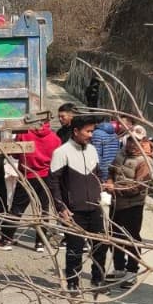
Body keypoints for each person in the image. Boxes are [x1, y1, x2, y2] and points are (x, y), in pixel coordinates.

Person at [49, 117, 106, 292]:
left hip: (95, 208)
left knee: (101, 246)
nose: (91, 135)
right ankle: (73, 283)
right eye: (87, 131)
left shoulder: (93, 150)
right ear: (75, 131)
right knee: (75, 248)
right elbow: (53, 183)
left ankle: (98, 280)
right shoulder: (61, 152)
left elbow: (98, 176)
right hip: (73, 211)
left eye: (92, 131)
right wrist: (61, 208)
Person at [3, 119, 61, 252]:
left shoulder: (24, 134)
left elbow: (15, 154)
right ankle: (40, 243)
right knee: (43, 210)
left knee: (17, 208)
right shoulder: (55, 138)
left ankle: (7, 239)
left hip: (28, 176)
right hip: (46, 177)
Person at [106, 128, 153, 286]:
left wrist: (117, 190)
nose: (134, 144)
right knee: (115, 236)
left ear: (143, 141)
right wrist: (110, 182)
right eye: (131, 139)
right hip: (116, 203)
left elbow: (138, 186)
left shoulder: (145, 161)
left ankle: (132, 271)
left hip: (133, 205)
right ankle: (119, 268)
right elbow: (111, 171)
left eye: (138, 140)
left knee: (132, 238)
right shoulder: (121, 153)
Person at [90, 117, 122, 182]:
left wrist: (96, 169)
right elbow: (118, 152)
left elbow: (97, 153)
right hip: (112, 167)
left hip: (101, 168)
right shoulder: (115, 134)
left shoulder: (96, 133)